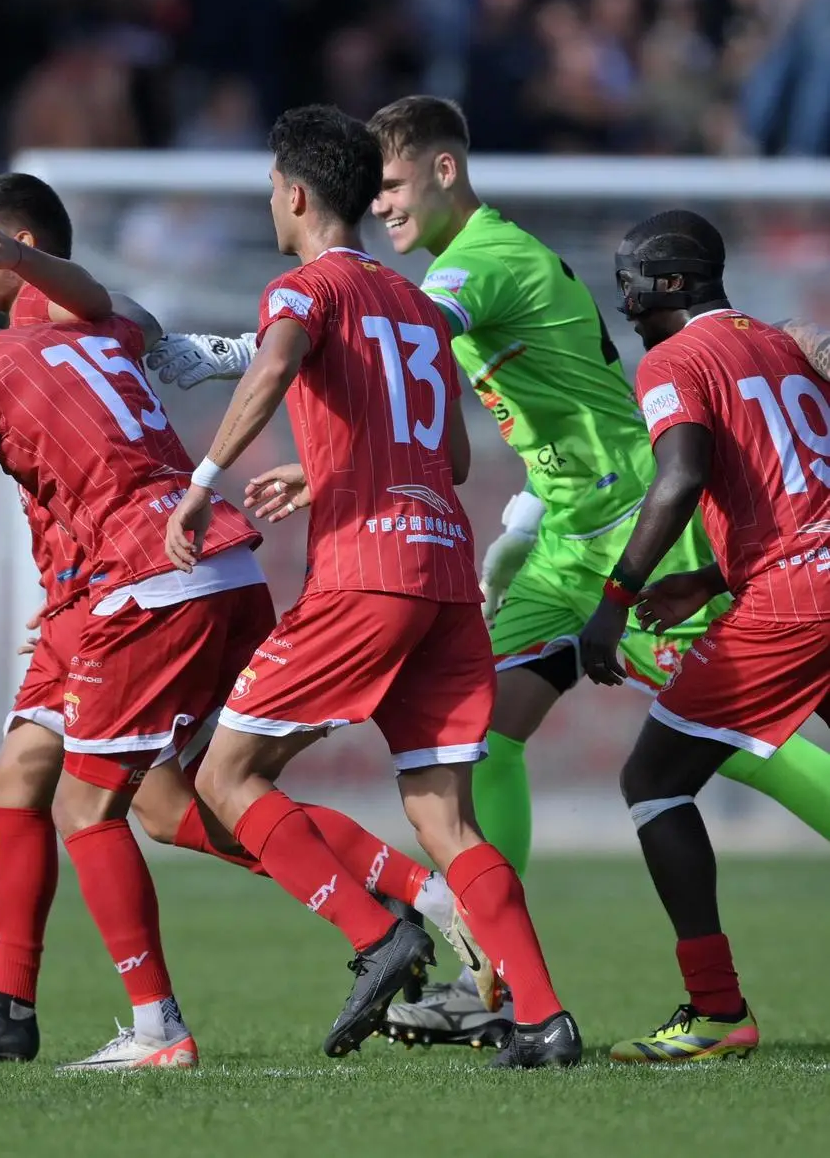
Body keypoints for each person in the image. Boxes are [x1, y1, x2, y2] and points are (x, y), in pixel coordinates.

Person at [146, 94, 830, 1048]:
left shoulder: (484, 259)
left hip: (637, 527)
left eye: (391, 185)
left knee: (742, 741)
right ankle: (498, 982)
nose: (381, 208)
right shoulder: (454, 268)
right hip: (561, 540)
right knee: (486, 740)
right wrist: (349, 461)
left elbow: (374, 325)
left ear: (444, 171)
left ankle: (647, 992)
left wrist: (220, 354)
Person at [0, 174, 480, 1065]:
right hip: (96, 592)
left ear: (21, 241)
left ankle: (182, 1011)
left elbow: (121, 318)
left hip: (137, 587)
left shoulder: (62, 319)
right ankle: (11, 1005)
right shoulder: (26, 334)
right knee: (91, 795)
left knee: (129, 798)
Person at [164, 104, 579, 1069]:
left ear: (297, 194)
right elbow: (454, 452)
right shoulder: (415, 301)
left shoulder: (303, 288)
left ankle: (374, 932)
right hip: (443, 571)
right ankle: (543, 1017)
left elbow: (273, 363)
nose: (271, 201)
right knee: (445, 817)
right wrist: (330, 471)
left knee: (223, 777)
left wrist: (201, 484)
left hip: (367, 575)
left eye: (272, 188)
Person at [578, 210, 830, 1063]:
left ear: (675, 283)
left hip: (797, 600)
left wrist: (616, 598)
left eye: (633, 277)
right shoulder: (780, 343)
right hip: (809, 575)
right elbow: (800, 485)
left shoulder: (676, 359)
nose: (623, 295)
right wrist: (715, 578)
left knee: (653, 777)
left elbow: (681, 476)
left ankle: (714, 1007)